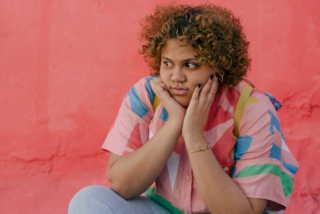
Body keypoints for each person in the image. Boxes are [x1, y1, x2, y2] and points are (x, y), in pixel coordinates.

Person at [68, 3, 299, 214]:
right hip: (164, 210)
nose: (175, 77)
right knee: (88, 201)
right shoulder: (147, 95)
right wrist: (175, 124)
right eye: (167, 63)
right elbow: (121, 185)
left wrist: (194, 136)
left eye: (190, 65)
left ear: (219, 66)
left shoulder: (253, 109)